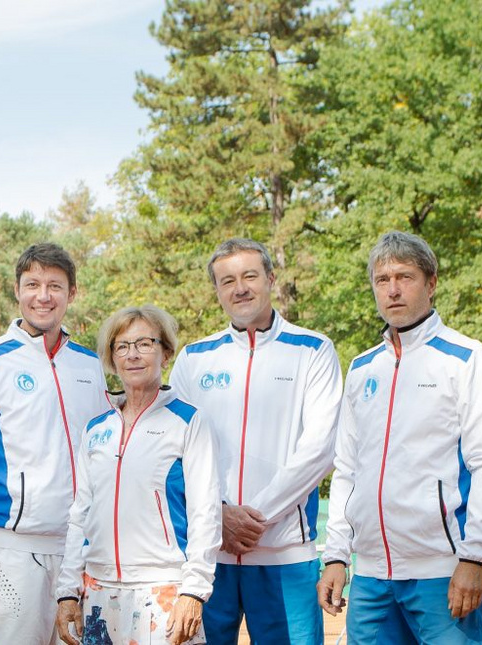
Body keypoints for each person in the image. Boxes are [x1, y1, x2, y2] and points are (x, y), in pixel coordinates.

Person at [318, 231, 482, 643]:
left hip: (442, 573)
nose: (392, 290)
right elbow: (347, 469)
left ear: (431, 281)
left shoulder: (468, 359)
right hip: (370, 577)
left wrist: (474, 557)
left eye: (404, 277)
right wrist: (336, 555)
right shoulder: (362, 368)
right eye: (381, 279)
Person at [169, 238, 342, 643]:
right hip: (209, 557)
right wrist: (219, 516)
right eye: (227, 280)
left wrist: (251, 521)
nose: (240, 288)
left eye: (250, 276)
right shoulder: (194, 358)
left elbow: (321, 448)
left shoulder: (313, 349)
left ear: (271, 278)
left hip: (285, 557)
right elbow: (172, 453)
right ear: (216, 290)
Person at [0, 242, 110, 644]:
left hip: (83, 551)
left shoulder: (91, 365)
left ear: (72, 294)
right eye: (32, 284)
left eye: (55, 285)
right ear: (17, 290)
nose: (43, 295)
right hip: (11, 551)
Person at [55, 305, 221, 645]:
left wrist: (194, 590)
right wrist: (67, 592)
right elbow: (79, 516)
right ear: (111, 358)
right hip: (97, 591)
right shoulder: (96, 428)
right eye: (122, 346)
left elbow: (206, 512)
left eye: (145, 343)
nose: (133, 355)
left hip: (165, 591)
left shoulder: (189, 422)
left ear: (166, 352)